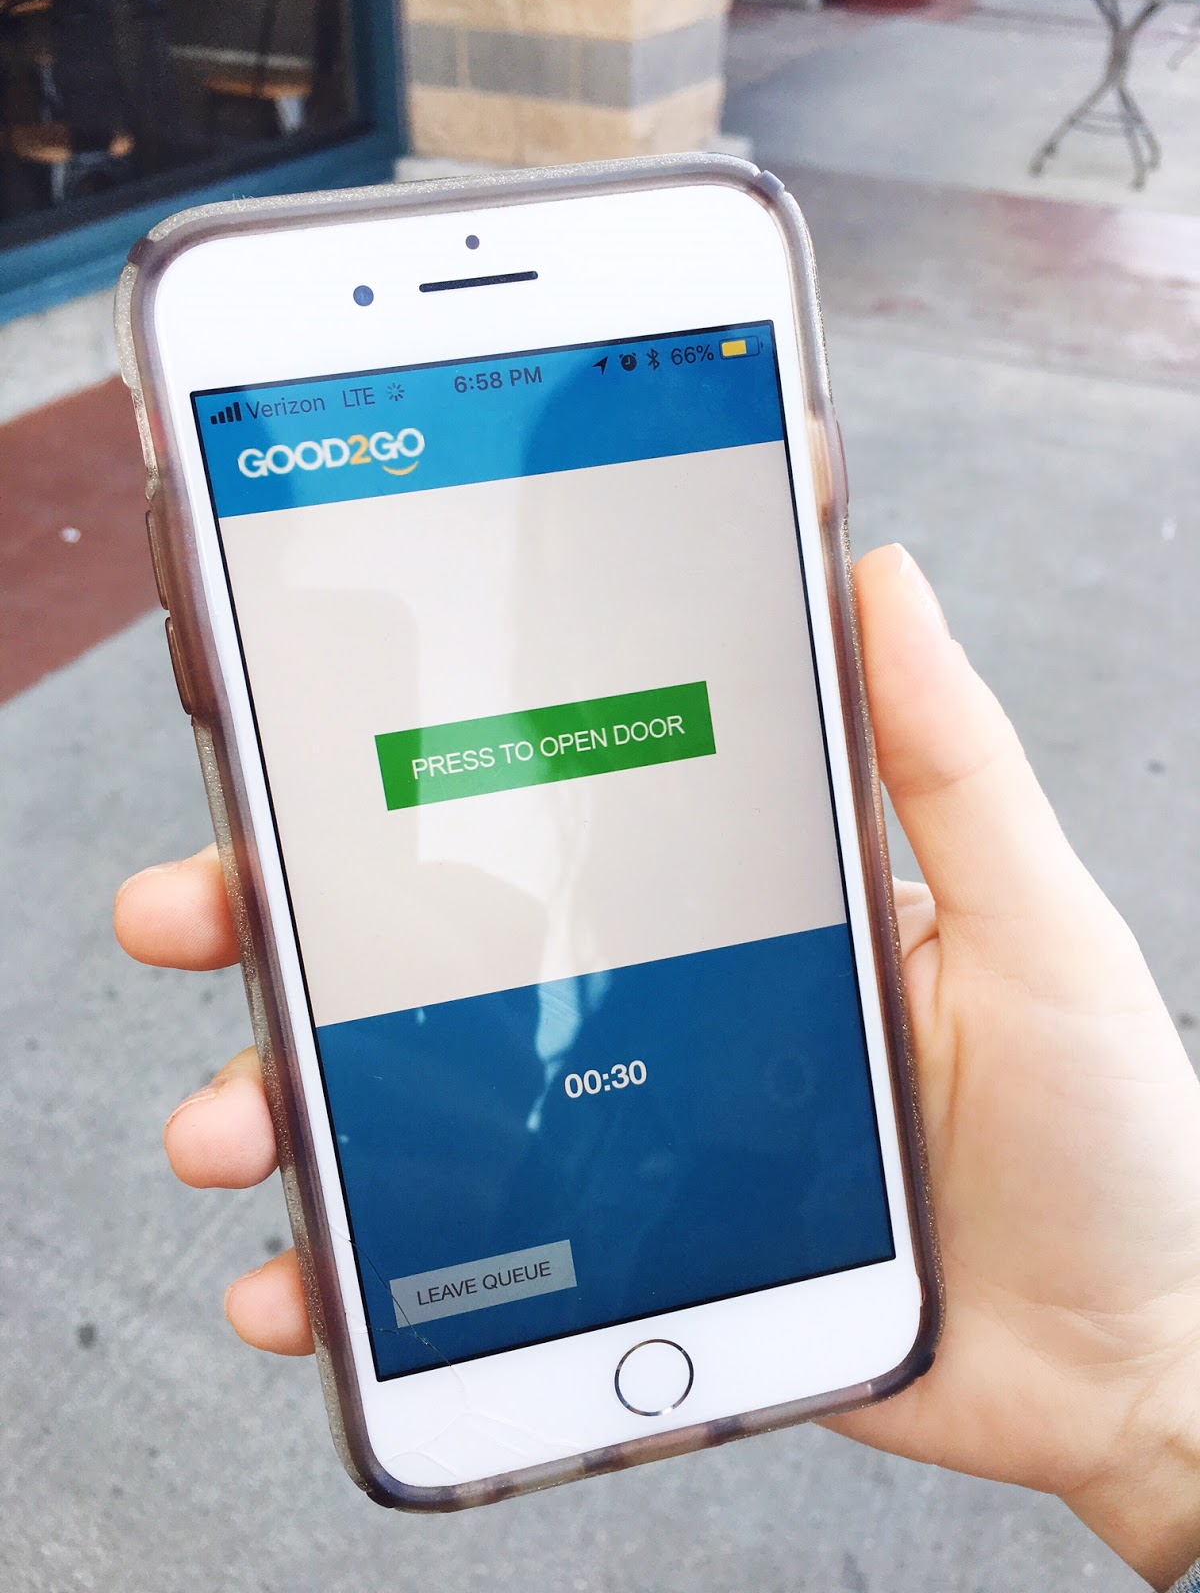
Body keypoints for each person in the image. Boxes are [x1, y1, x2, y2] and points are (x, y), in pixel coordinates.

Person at [113, 546, 1200, 1591]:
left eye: (652, 589)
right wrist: (1148, 1398)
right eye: (569, 602)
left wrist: (1152, 1379)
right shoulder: (631, 979)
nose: (598, 658)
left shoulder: (784, 964)